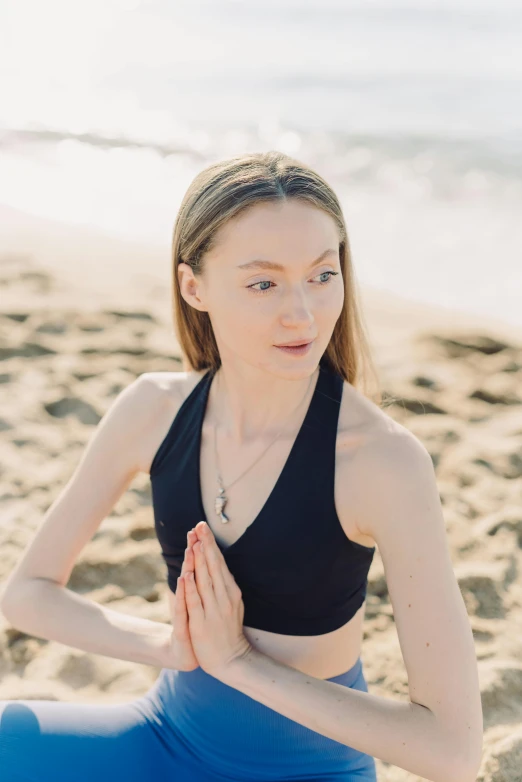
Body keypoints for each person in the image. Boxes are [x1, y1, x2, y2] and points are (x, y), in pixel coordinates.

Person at [0, 151, 483, 782]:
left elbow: (453, 752)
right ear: (193, 287)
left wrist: (238, 662)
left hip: (308, 771)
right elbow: (28, 595)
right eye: (264, 283)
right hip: (164, 737)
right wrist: (169, 647)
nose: (303, 314)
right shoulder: (153, 410)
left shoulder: (382, 463)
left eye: (321, 275)